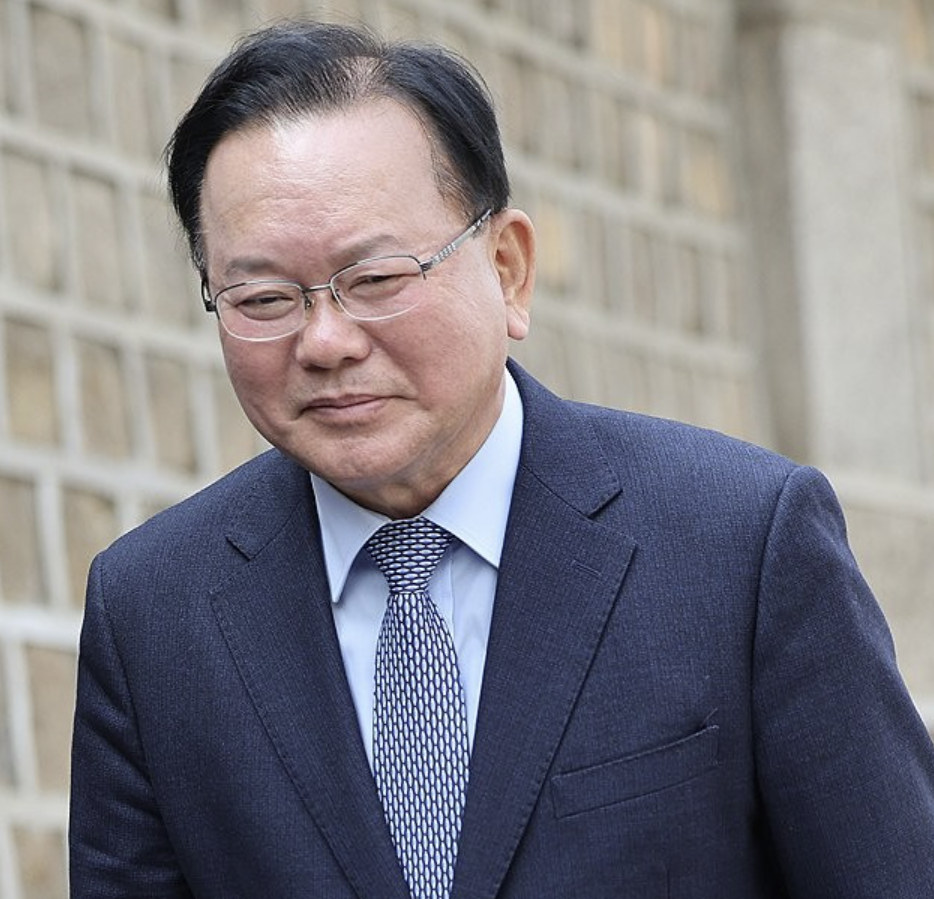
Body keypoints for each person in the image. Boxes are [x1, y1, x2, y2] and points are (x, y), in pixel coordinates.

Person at [69, 18, 934, 899]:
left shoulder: (739, 544)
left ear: (509, 268)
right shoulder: (152, 616)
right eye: (263, 297)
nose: (325, 341)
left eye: (375, 280)